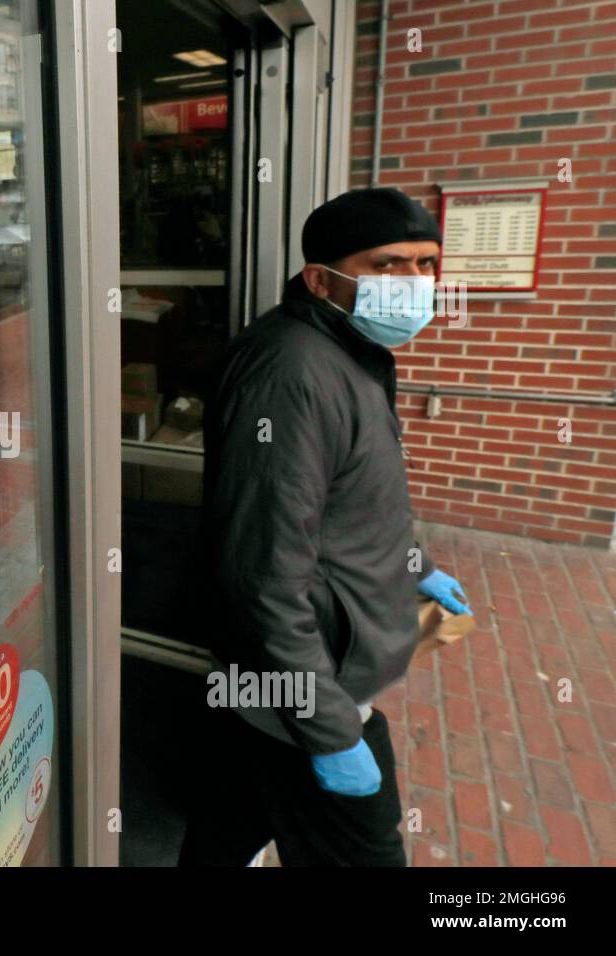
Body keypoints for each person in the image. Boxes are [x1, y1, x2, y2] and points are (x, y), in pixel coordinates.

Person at [178, 187, 472, 867]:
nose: (415, 284)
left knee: (230, 826)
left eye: (427, 264)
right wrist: (333, 729)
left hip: (284, 684)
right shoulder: (292, 374)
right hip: (307, 690)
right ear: (321, 279)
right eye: (388, 265)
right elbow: (263, 572)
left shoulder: (349, 351)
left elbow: (357, 505)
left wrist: (415, 566)